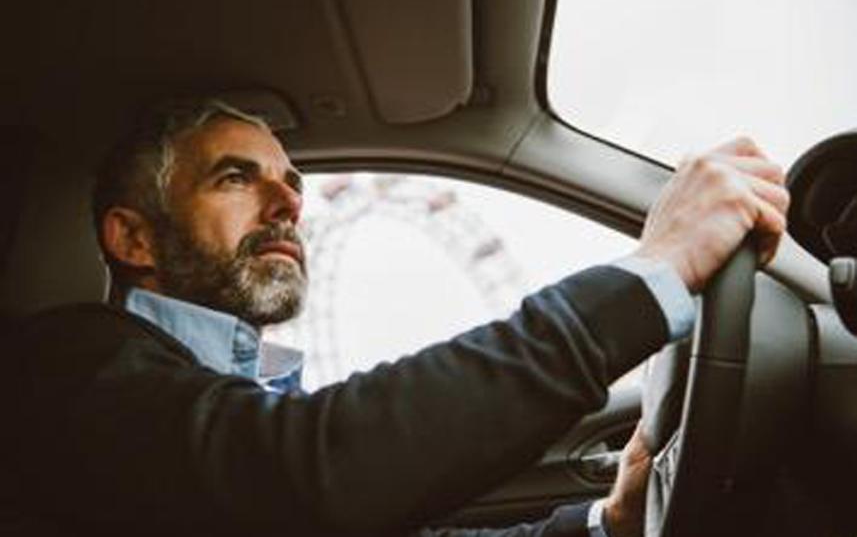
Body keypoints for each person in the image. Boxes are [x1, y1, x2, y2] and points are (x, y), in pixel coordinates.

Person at [2, 98, 789, 537]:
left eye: (292, 184)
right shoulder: (65, 368)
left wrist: (605, 522)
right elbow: (309, 471)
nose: (287, 204)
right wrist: (653, 273)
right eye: (235, 178)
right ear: (132, 238)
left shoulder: (242, 398)